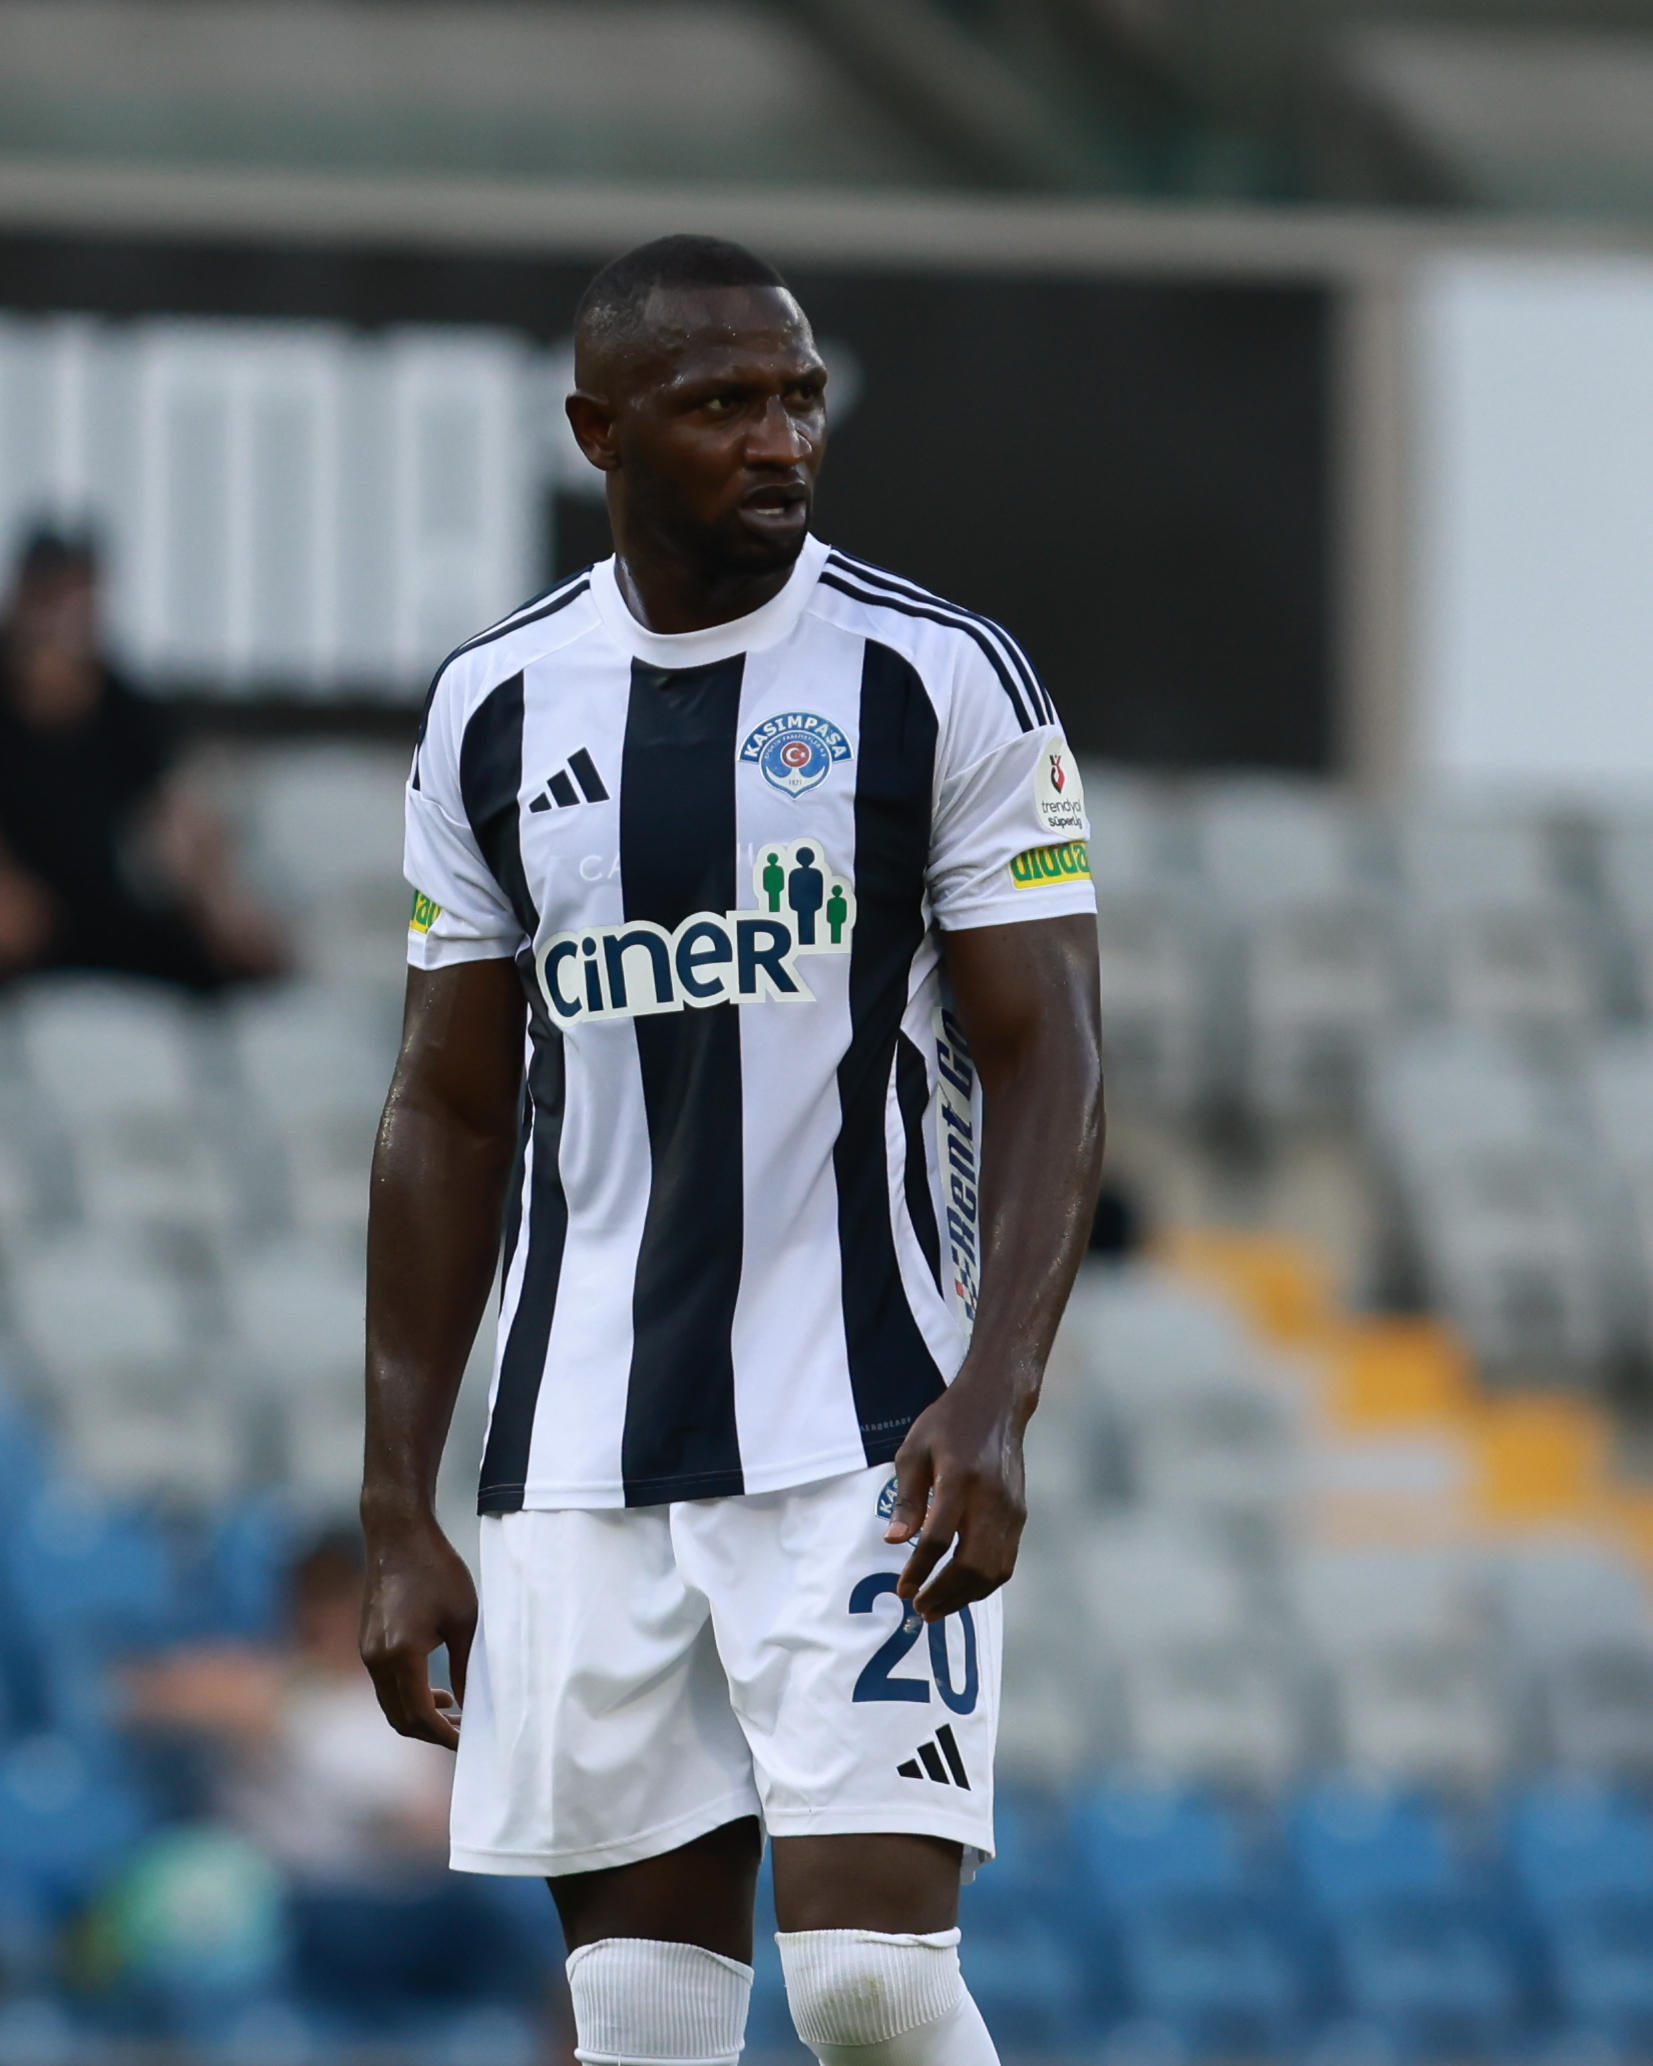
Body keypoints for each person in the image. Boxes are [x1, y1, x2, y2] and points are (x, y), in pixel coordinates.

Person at [360, 234, 1105, 2066]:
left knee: (869, 1989)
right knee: (635, 2018)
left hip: (866, 1427)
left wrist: (996, 1394)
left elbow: (1052, 1054)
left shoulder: (939, 676)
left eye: (800, 399)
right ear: (597, 432)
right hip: (578, 1446)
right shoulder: (491, 707)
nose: (781, 442)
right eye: (722, 406)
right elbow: (446, 1106)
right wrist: (395, 1504)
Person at [0, 530, 289, 990]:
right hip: (30, 915)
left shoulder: (124, 706)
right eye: (51, 603)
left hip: (110, 909)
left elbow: (176, 809)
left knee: (235, 958)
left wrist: (216, 902)